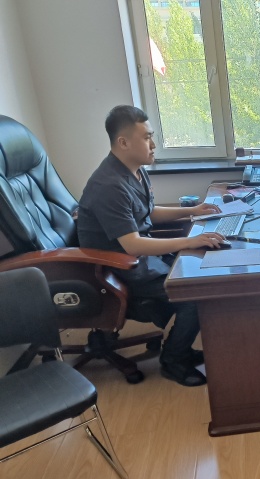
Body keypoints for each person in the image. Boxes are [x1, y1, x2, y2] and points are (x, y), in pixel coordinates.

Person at [78, 105, 227, 386]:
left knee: (201, 268)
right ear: (123, 142)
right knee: (194, 293)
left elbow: (148, 212)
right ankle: (173, 360)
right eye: (146, 138)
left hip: (141, 259)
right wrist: (190, 240)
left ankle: (181, 349)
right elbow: (132, 245)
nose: (153, 145)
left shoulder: (134, 171)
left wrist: (193, 211)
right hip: (119, 269)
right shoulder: (108, 186)